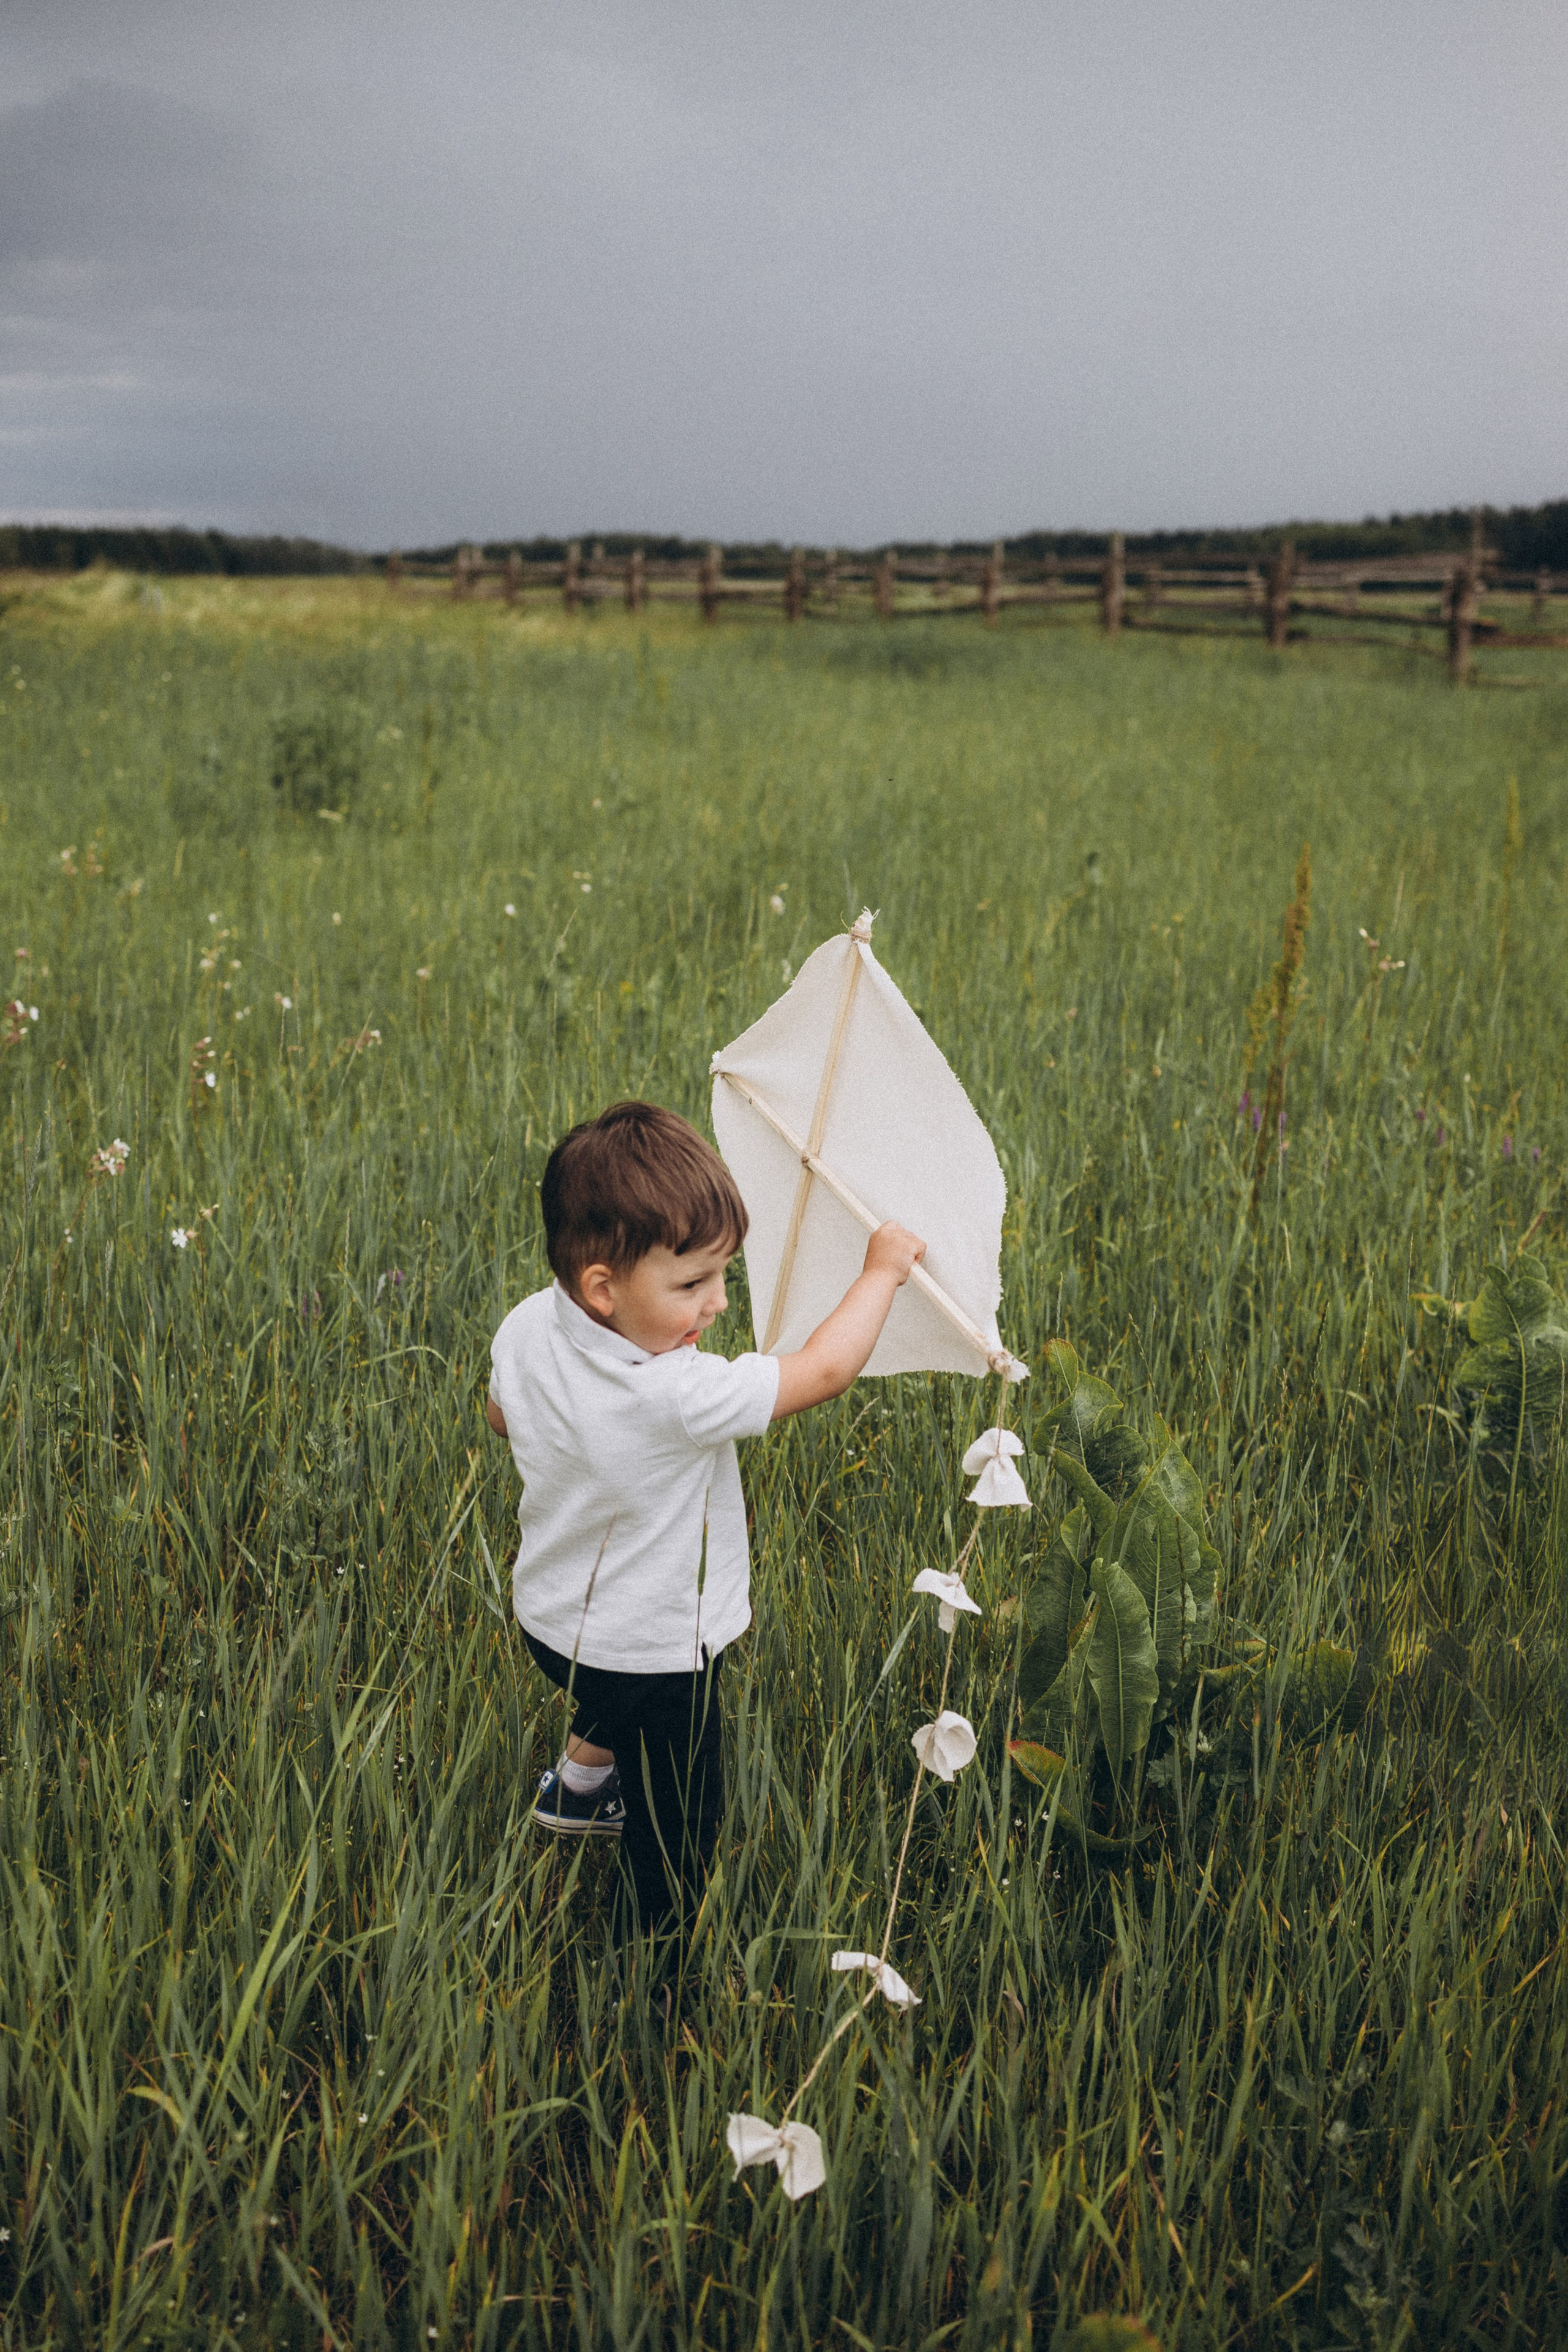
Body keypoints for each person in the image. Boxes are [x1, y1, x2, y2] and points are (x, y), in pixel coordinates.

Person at [486, 1098, 924, 1938]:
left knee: (606, 1696)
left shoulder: (527, 1326)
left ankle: (577, 1792)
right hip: (660, 1655)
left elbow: (503, 1416)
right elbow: (825, 1371)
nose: (718, 1304)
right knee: (677, 1814)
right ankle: (654, 1956)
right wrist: (882, 1273)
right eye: (692, 1284)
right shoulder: (678, 1392)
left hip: (552, 1624)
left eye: (723, 1275)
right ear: (604, 1289)